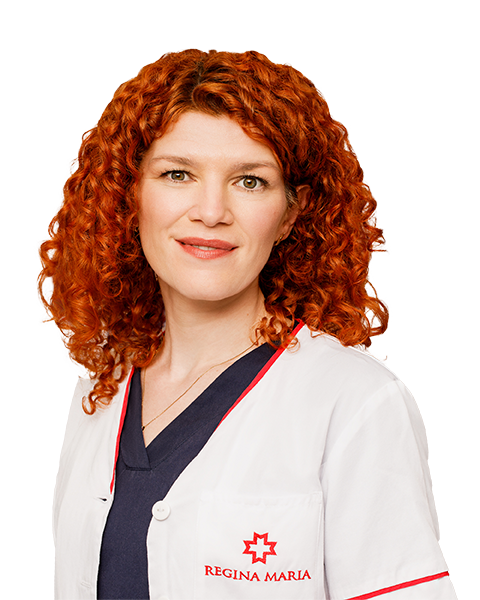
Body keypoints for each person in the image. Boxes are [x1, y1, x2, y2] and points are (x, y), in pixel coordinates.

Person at [38, 49, 457, 600]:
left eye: (250, 181)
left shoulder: (355, 402)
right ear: (131, 196)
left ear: (289, 214)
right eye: (177, 174)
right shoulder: (101, 389)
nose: (211, 211)